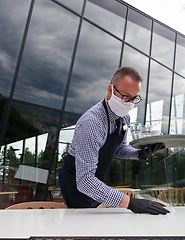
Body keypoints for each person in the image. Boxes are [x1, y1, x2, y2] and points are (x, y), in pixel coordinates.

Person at [58, 67, 169, 215]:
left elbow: (118, 149)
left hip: (97, 179)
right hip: (77, 182)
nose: (130, 103)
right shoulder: (92, 123)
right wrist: (130, 202)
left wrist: (139, 154)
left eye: (134, 99)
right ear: (110, 90)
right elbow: (85, 181)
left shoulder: (124, 117)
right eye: (125, 97)